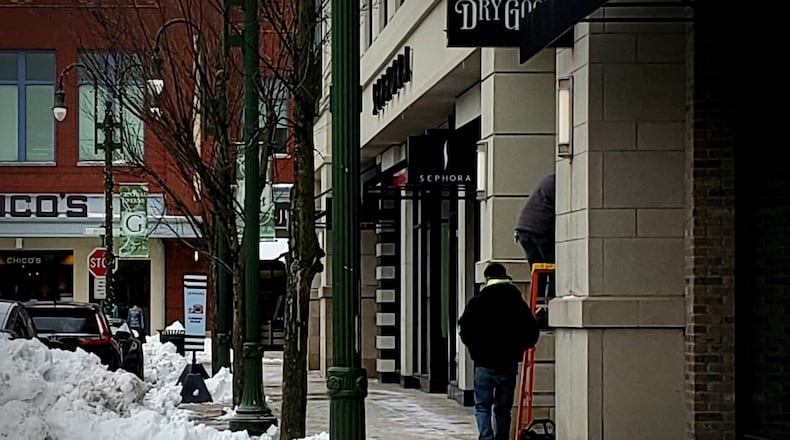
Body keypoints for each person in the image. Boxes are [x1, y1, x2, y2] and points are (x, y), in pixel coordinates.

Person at [459, 263, 539, 440]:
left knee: (482, 406)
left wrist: (475, 351)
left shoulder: (477, 301)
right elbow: (532, 331)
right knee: (503, 409)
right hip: (507, 364)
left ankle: (486, 437)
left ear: (487, 278)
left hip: (483, 364)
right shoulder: (516, 301)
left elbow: (464, 328)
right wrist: (519, 348)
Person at [515, 173, 556, 297]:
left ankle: (537, 303)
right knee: (554, 267)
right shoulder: (557, 184)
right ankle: (552, 300)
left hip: (523, 229)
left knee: (537, 270)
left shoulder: (547, 182)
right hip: (539, 230)